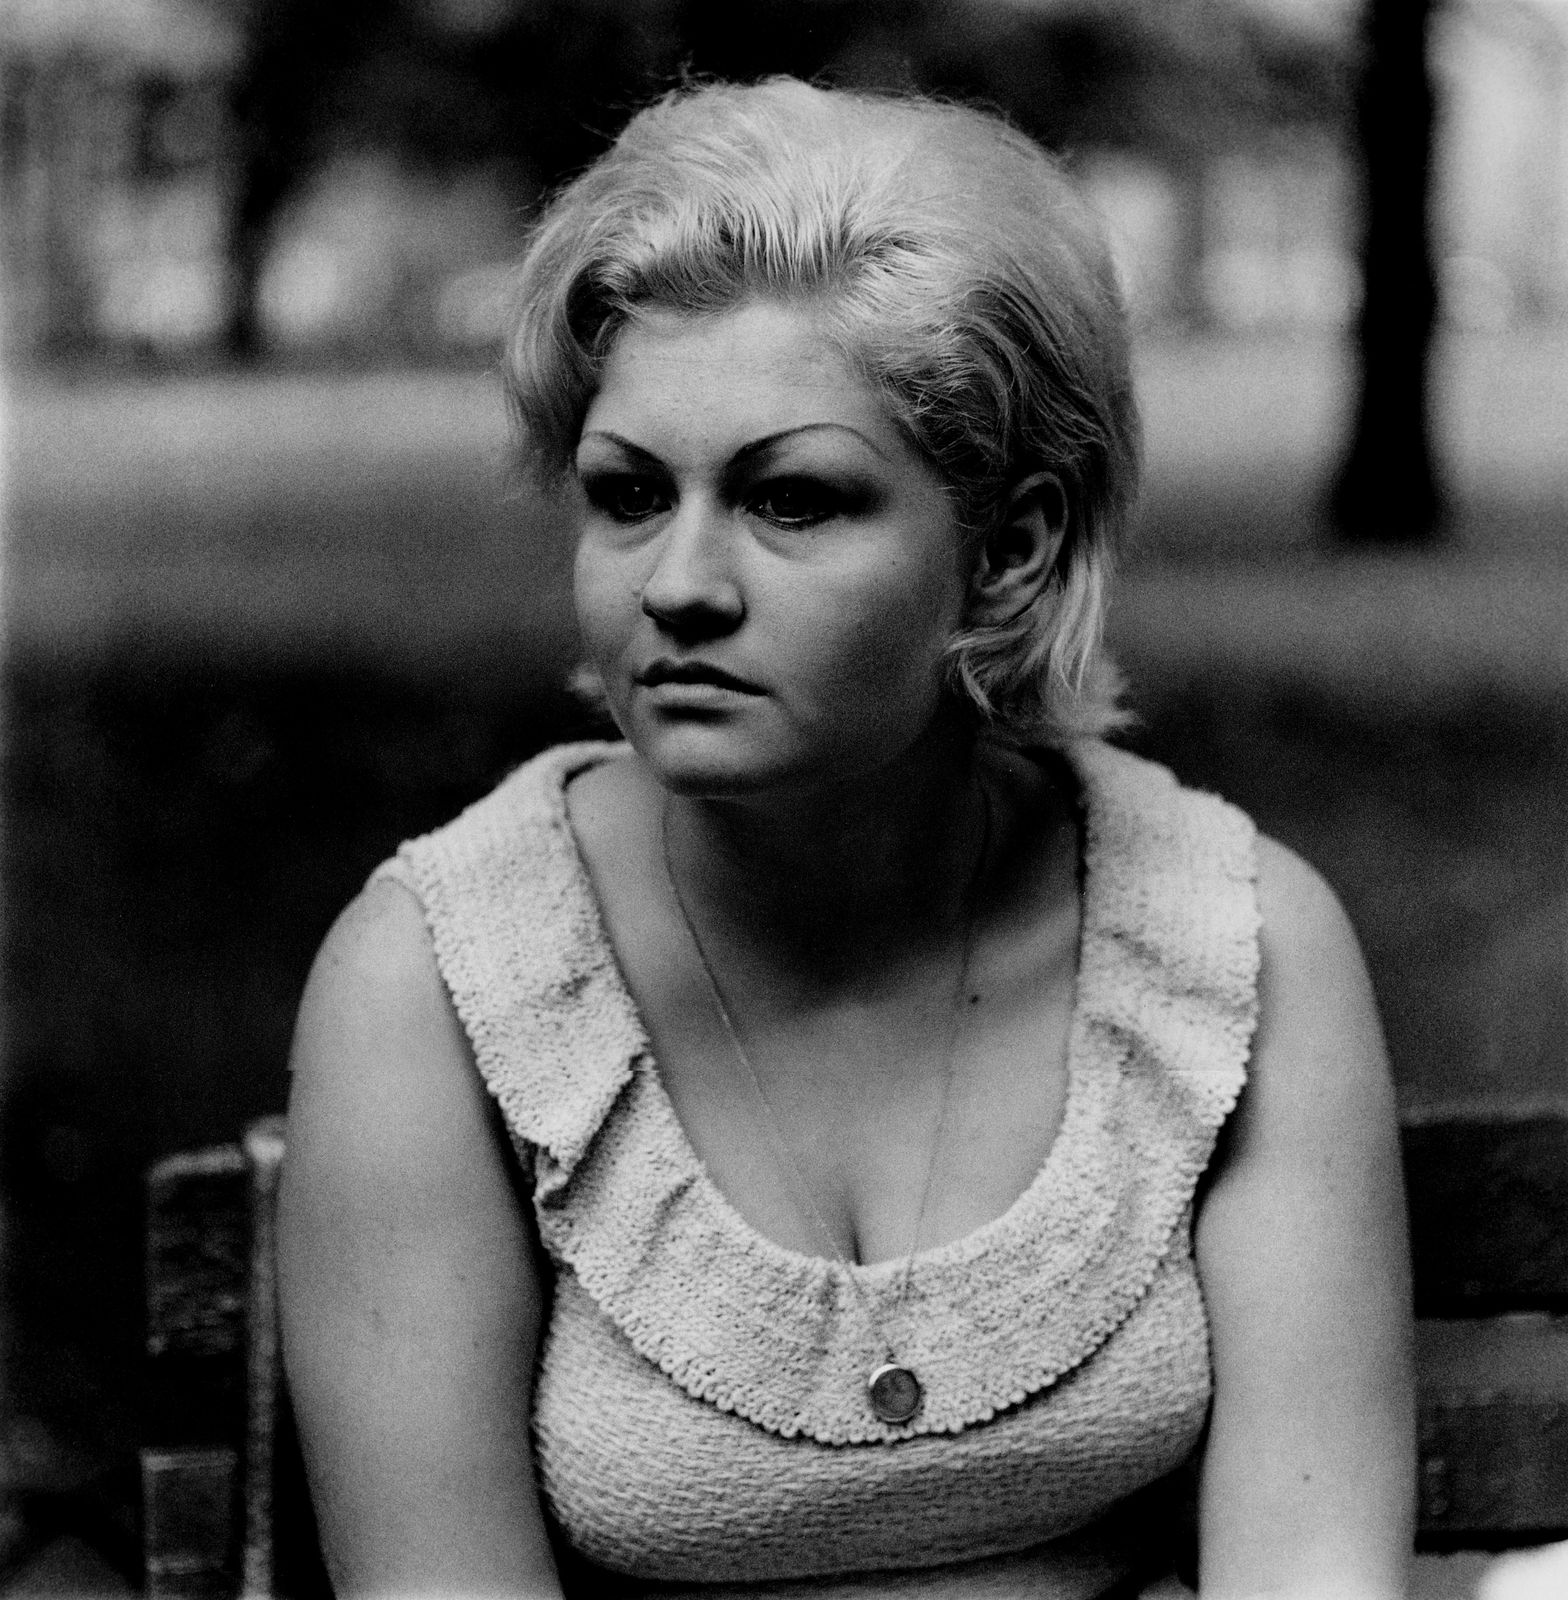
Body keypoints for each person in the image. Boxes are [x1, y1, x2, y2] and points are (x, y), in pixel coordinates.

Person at [277, 78, 1414, 1599]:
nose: (679, 583)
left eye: (792, 500)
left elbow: (1312, 1569)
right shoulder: (438, 985)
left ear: (1008, 551)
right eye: (627, 496)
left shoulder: (1236, 950)